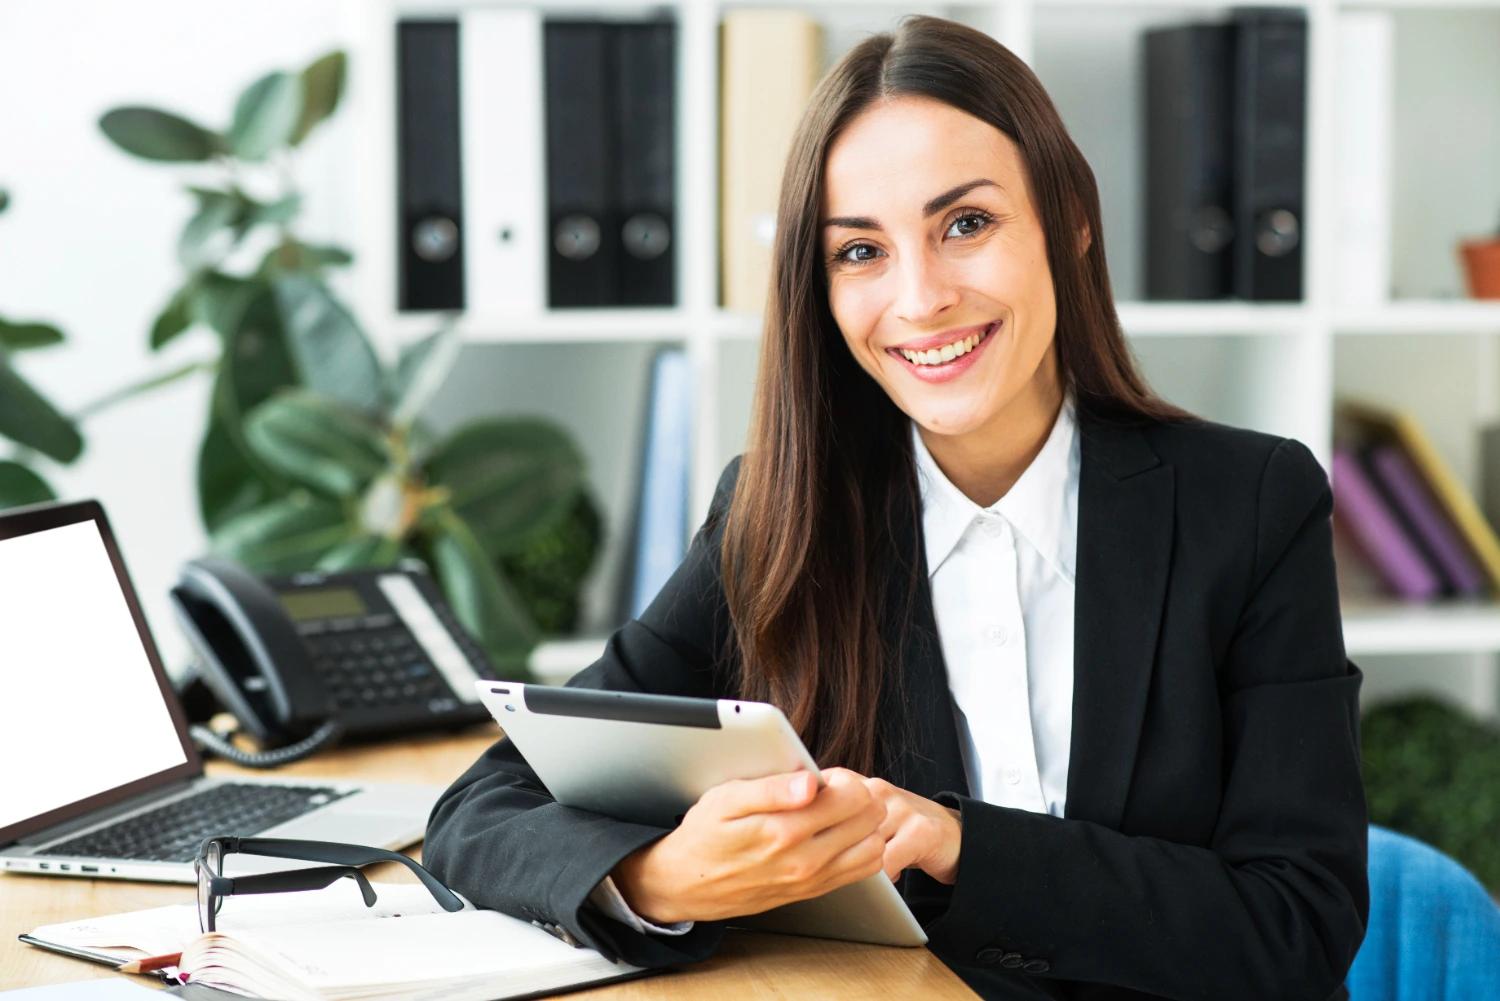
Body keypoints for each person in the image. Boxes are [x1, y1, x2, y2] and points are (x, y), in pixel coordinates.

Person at [424, 15, 1367, 1000]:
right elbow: (483, 808)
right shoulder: (779, 517)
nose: (920, 299)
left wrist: (964, 845)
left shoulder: (1249, 505)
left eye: (967, 224)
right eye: (860, 252)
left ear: (1069, 219)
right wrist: (657, 877)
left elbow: (1297, 926)